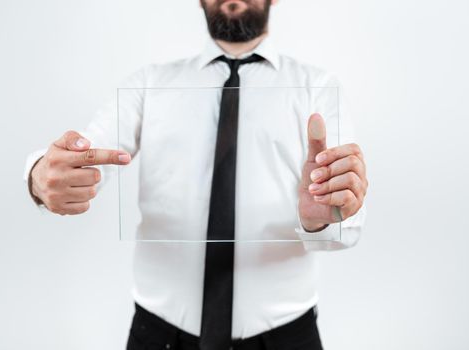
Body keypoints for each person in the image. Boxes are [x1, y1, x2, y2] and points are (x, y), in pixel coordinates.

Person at [24, 0, 368, 349]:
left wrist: (323, 219)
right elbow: (84, 155)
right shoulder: (149, 84)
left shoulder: (318, 87)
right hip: (158, 336)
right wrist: (41, 176)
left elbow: (347, 227)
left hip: (287, 338)